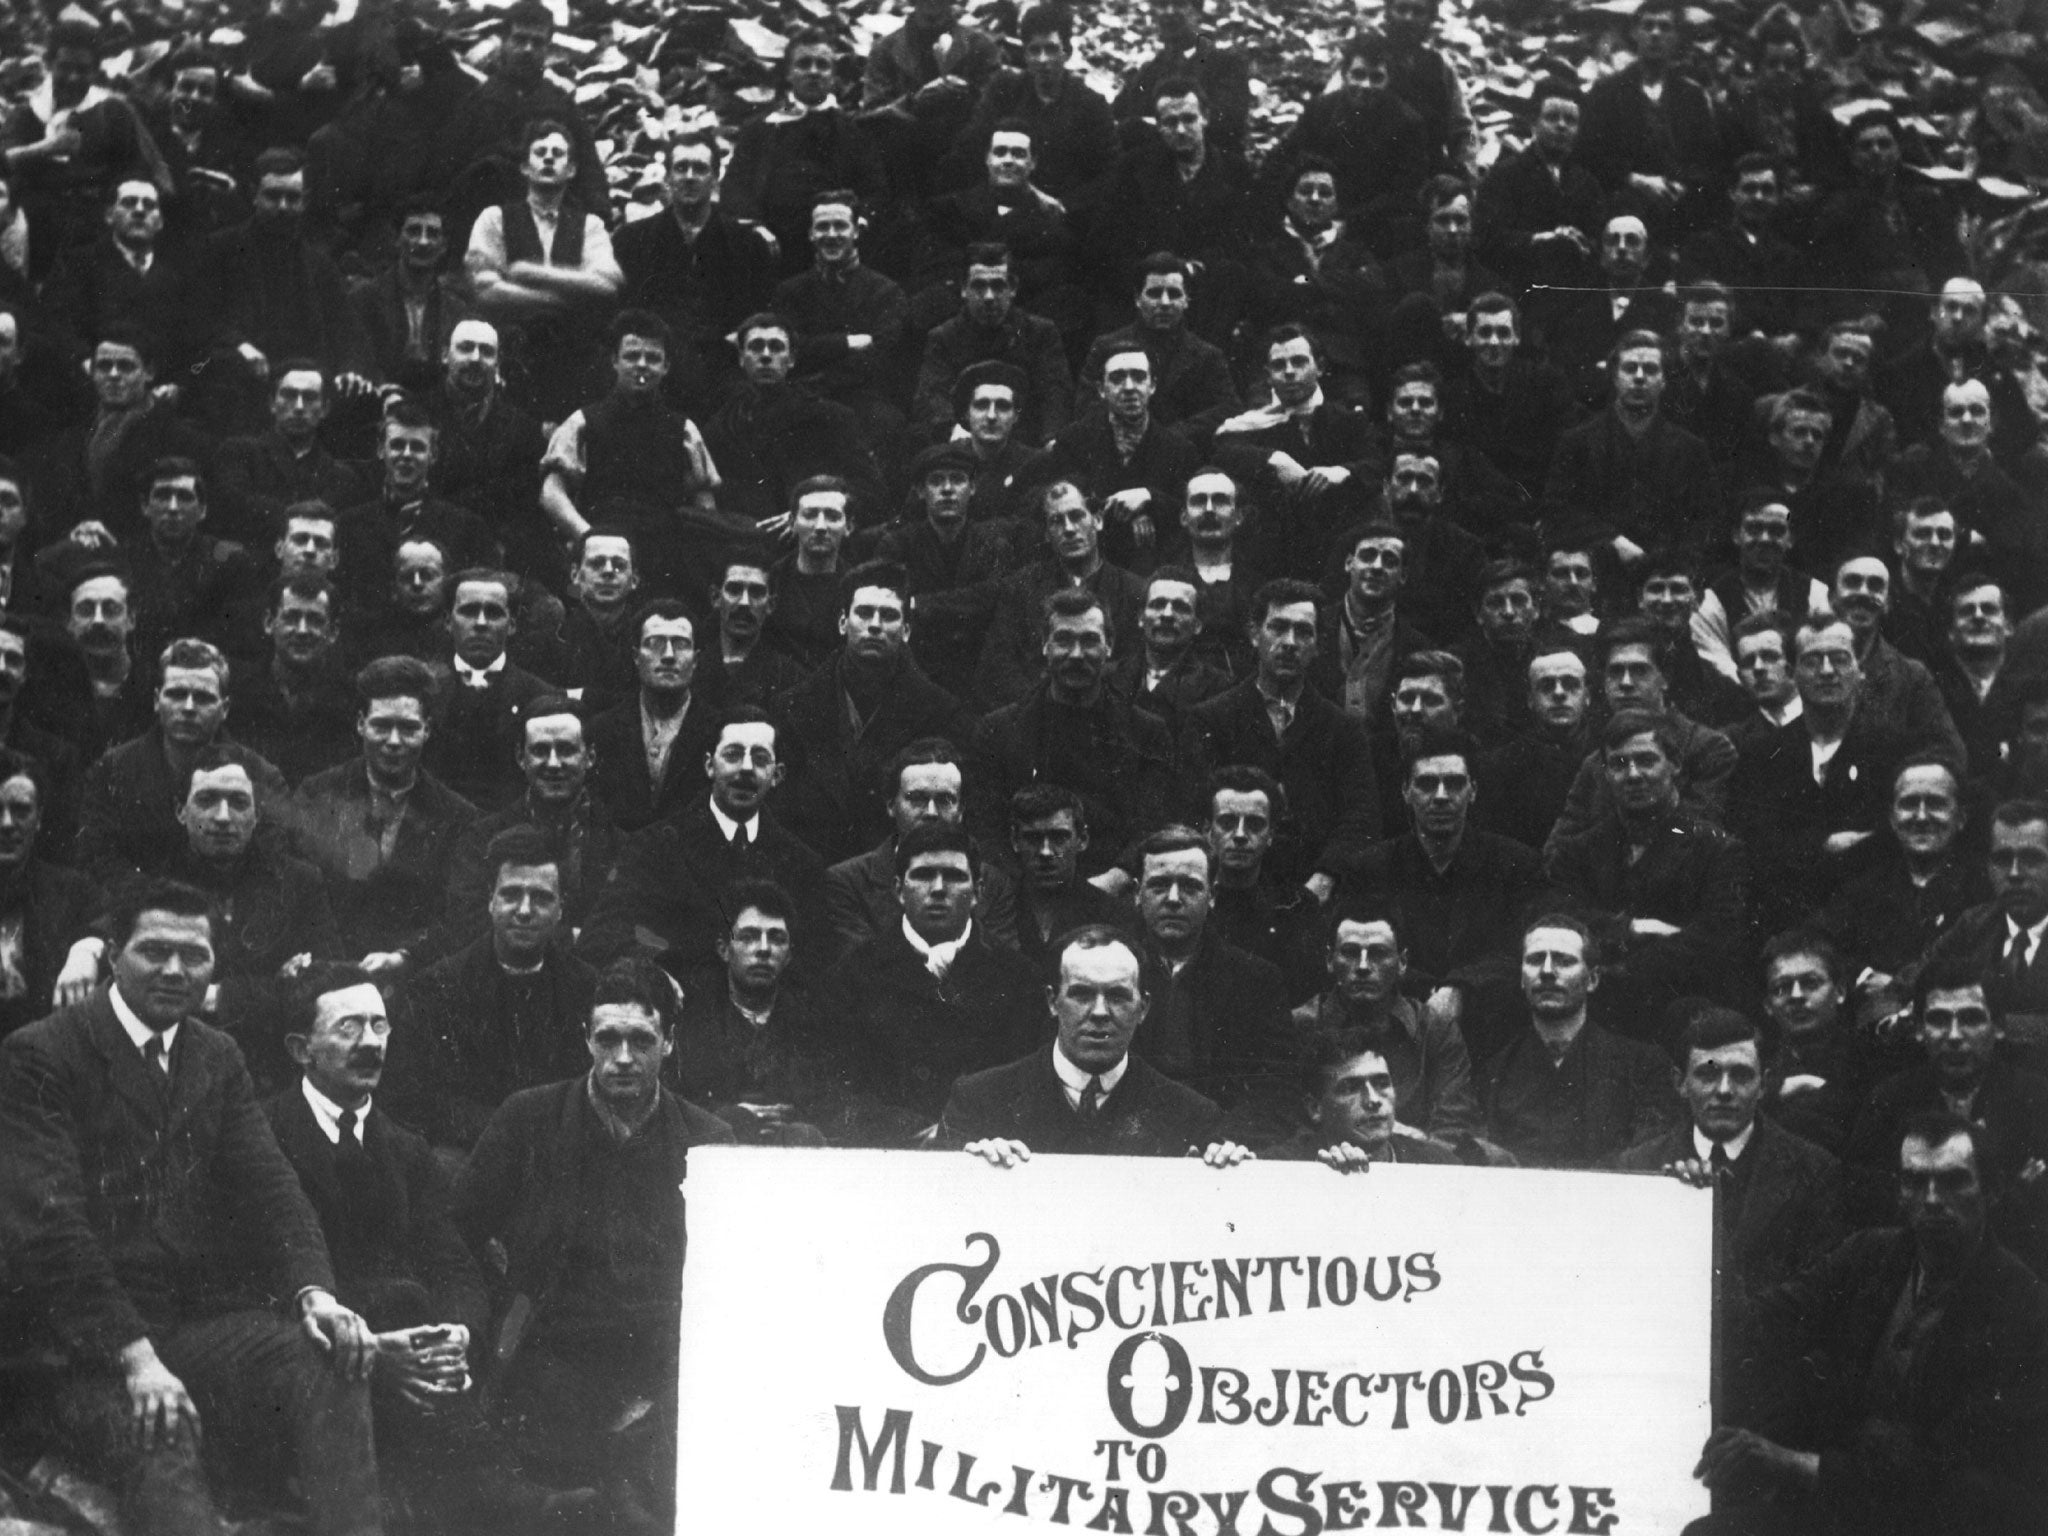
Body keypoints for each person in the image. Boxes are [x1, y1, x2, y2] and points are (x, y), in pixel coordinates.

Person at [0, 878, 382, 1536]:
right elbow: (49, 1230)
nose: (175, 970)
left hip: (182, 1328)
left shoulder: (215, 1053)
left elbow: (271, 1186)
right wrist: (136, 1360)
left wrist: (314, 1293)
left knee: (326, 1358)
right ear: (114, 954)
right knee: (161, 1430)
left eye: (195, 955)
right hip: (71, 1351)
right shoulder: (40, 1054)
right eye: (154, 951)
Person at [263, 963, 591, 1528]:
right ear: (301, 1048)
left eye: (379, 1026)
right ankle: (503, 1501)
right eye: (348, 1028)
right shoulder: (263, 1135)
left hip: (410, 1358)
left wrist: (459, 1334)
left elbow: (454, 1264)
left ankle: (489, 1498)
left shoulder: (406, 1149)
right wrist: (375, 1342)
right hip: (306, 1344)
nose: (370, 1043)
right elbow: (256, 1268)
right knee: (400, 1299)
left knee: (421, 1307)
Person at [452, 956, 734, 1530]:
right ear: (587, 1039)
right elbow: (456, 1229)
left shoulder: (707, 1140)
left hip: (663, 1361)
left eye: (641, 1040)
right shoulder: (528, 1118)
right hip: (552, 1351)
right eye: (607, 1039)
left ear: (670, 1043)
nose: (623, 1058)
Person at [1696, 1113, 2048, 1536]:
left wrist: (1791, 1463)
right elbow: (1756, 1327)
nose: (1932, 1199)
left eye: (1953, 1181)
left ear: (1990, 1191)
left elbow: (1958, 1481)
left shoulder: (2025, 1308)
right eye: (1915, 1182)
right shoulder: (1869, 1258)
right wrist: (1707, 1210)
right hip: (1840, 1512)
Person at [937, 922, 1240, 1160]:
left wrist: (1228, 1173)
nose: (1099, 1012)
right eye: (1081, 994)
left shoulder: (1192, 1118)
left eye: (1117, 996)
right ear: (1052, 1001)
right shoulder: (979, 1103)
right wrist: (975, 1171)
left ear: (1143, 1008)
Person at [824, 822, 1042, 1144]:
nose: (938, 888)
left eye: (954, 876)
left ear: (978, 892)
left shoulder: (1018, 977)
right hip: (886, 1157)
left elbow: (1028, 1087)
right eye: (924, 875)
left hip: (986, 1158)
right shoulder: (854, 973)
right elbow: (834, 1090)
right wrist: (911, 1132)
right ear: (899, 889)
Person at [386, 824, 597, 1149]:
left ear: (560, 909)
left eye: (541, 898)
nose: (524, 911)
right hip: (470, 1155)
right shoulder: (437, 987)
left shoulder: (587, 989)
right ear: (490, 901)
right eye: (511, 895)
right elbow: (415, 1098)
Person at [1617, 1007, 1846, 1306]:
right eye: (1707, 1074)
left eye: (1741, 1075)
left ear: (1763, 1084)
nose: (1724, 1090)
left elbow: (1818, 1297)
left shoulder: (1814, 1170)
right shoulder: (1638, 1167)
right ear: (1680, 1083)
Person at [1545, 710, 1750, 1035]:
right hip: (1595, 1015)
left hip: (1680, 1014)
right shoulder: (1579, 851)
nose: (1633, 774)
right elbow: (1558, 916)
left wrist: (1618, 967)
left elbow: (1716, 940)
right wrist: (1630, 928)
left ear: (1675, 765)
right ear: (1606, 772)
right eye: (1619, 764)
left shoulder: (1716, 850)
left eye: (1646, 761)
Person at [579, 708, 825, 974]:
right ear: (709, 765)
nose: (745, 768)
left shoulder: (802, 864)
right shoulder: (654, 847)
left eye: (760, 758)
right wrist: (659, 977)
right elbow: (603, 936)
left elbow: (816, 960)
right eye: (732, 755)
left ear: (777, 775)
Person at [1186, 578, 1379, 896]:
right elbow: (1194, 809)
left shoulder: (1343, 729)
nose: (1290, 642)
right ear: (1254, 634)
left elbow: (1360, 817)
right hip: (1228, 888)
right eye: (1278, 627)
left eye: (1304, 632)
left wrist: (1322, 881)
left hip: (1315, 890)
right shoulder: (1211, 718)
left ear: (1318, 645)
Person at [971, 587, 1182, 878]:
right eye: (1064, 640)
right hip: (1024, 889)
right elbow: (989, 833)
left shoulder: (1146, 733)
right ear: (1045, 644)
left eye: (1089, 641)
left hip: (1112, 890)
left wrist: (1114, 880)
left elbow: (1150, 828)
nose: (1076, 654)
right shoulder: (999, 731)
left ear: (1109, 647)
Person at [772, 561, 973, 864]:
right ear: (843, 623)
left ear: (906, 630)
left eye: (889, 615)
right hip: (809, 866)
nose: (875, 624)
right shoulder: (792, 708)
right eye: (864, 613)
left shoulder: (942, 713)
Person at [290, 655, 477, 975]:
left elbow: (461, 917)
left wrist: (407, 957)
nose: (393, 741)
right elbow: (296, 893)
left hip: (416, 978)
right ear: (361, 723)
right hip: (327, 971)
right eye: (381, 725)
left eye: (407, 728)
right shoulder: (317, 796)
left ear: (427, 730)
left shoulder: (457, 817)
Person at [1125, 825, 1298, 1138]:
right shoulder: (1108, 974)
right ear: (1137, 893)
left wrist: (1225, 1143)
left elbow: (1276, 1090)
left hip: (1224, 1153)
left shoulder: (1257, 980)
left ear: (1212, 895)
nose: (1174, 899)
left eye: (1190, 886)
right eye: (1159, 885)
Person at [77, 638, 289, 888]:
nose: (188, 708)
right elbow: (97, 859)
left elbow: (270, 864)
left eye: (203, 698)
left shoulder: (261, 776)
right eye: (177, 695)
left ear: (225, 708)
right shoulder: (111, 771)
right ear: (157, 701)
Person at [1479, 912, 1678, 1169]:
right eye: (1536, 959)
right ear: (1521, 978)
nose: (1547, 971)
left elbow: (1648, 1158)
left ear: (1592, 979)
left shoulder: (1641, 1067)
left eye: (1564, 961)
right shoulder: (1495, 1071)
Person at [464, 118, 622, 422]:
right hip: (514, 354)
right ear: (525, 167)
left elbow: (607, 285)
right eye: (540, 152)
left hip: (575, 358)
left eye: (557, 153)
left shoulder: (590, 226)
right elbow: (486, 290)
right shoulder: (495, 219)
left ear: (572, 170)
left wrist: (526, 273)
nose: (549, 158)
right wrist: (565, 297)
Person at [1288, 903, 1479, 1143]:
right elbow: (1287, 1125)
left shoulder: (1434, 1029)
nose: (1363, 966)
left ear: (1402, 962)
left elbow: (1453, 1130)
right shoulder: (1301, 1026)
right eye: (1350, 952)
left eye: (1378, 953)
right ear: (1329, 960)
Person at [441, 696, 622, 947]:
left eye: (566, 750)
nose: (553, 763)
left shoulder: (621, 844)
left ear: (589, 757)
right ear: (520, 758)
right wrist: (570, 937)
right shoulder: (480, 839)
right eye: (540, 750)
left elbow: (621, 930)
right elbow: (468, 924)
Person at [612, 135, 777, 410]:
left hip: (724, 374)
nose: (689, 177)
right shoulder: (632, 241)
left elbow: (762, 315)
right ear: (667, 177)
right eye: (681, 167)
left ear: (715, 178)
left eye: (700, 169)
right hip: (653, 372)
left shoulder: (748, 244)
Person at [822, 738, 1018, 964]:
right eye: (917, 799)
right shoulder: (849, 882)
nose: (931, 813)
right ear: (890, 805)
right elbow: (858, 970)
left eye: (945, 800)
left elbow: (1004, 968)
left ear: (961, 810)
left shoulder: (993, 884)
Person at [670, 880, 834, 1146]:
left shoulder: (814, 1021)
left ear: (789, 955)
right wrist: (733, 1117)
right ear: (724, 949)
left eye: (777, 939)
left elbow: (834, 1104)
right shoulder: (691, 1019)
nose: (764, 949)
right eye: (748, 937)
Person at [720, 31, 888, 284]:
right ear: (788, 74)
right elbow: (736, 186)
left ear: (833, 76)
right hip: (773, 244)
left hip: (834, 241)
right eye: (803, 64)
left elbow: (876, 188)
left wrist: (859, 222)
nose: (813, 72)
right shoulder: (761, 127)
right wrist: (755, 228)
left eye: (822, 65)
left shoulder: (853, 130)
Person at [1540, 330, 1720, 563]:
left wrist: (1667, 561)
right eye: (1630, 368)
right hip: (1597, 565)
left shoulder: (1691, 449)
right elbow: (1557, 510)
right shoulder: (1577, 442)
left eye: (1651, 369)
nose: (1639, 377)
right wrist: (1613, 542)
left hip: (1669, 573)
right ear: (1614, 376)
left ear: (1664, 380)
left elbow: (1707, 519)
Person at [699, 313, 884, 533]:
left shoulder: (828, 418)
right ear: (741, 358)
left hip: (806, 536)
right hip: (739, 536)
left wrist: (811, 512)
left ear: (792, 359)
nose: (766, 356)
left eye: (776, 347)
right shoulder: (721, 425)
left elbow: (870, 490)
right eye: (756, 347)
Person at [974, 481, 1146, 708]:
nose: (1069, 529)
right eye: (1057, 521)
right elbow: (999, 663)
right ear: (1047, 534)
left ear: (1098, 520)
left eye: (1076, 516)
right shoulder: (1021, 587)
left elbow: (1134, 665)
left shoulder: (1132, 589)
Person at [1899, 800, 2048, 1059]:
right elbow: (1907, 982)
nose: (2014, 874)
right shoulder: (1976, 924)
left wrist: (1983, 1024)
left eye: (2031, 859)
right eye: (2002, 860)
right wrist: (1887, 1019)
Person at [586, 599, 721, 833]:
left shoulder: (719, 730)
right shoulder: (602, 729)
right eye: (655, 643)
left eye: (680, 644)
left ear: (696, 660)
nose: (668, 655)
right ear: (636, 656)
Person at [0, 749, 103, 1040]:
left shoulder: (72, 890)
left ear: (40, 818)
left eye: (20, 810)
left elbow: (111, 919)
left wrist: (86, 949)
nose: (7, 824)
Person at [1077, 254, 1239, 437]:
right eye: (1154, 293)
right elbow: (1087, 406)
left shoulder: (1208, 356)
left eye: (1174, 293)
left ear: (1186, 300)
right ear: (1138, 299)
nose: (1164, 303)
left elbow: (1228, 408)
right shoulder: (1106, 347)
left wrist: (1169, 437)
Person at [1204, 765, 1324, 1002]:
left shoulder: (1296, 907)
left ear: (1270, 835)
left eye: (1255, 824)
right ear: (1208, 831)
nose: (1239, 834)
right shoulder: (1190, 901)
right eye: (1227, 822)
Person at [231, 574, 359, 786]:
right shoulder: (238, 694)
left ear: (334, 632)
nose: (302, 630)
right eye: (291, 618)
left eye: (315, 620)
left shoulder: (352, 702)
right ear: (269, 623)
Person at [1475, 641, 1595, 853]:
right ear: (1530, 699)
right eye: (1546, 686)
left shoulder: (1608, 756)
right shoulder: (1499, 767)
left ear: (1587, 696)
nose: (1559, 693)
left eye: (1570, 684)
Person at [1006, 785, 1133, 966]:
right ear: (1014, 841)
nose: (1046, 852)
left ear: (1082, 839)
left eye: (1059, 837)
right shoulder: (998, 909)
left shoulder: (1114, 916)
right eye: (1033, 838)